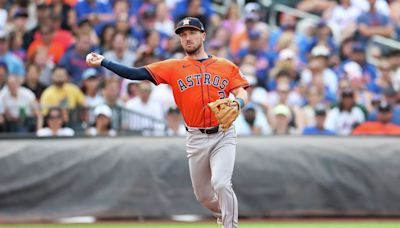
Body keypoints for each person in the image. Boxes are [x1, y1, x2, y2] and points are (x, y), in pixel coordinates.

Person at [87, 17, 249, 228]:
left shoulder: (225, 66)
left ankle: (230, 225)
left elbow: (241, 91)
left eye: (191, 32)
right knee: (203, 196)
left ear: (203, 35)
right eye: (182, 35)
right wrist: (105, 62)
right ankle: (224, 211)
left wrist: (238, 103)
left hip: (223, 134)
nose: (187, 38)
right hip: (195, 137)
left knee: (220, 183)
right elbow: (136, 73)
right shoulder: (174, 67)